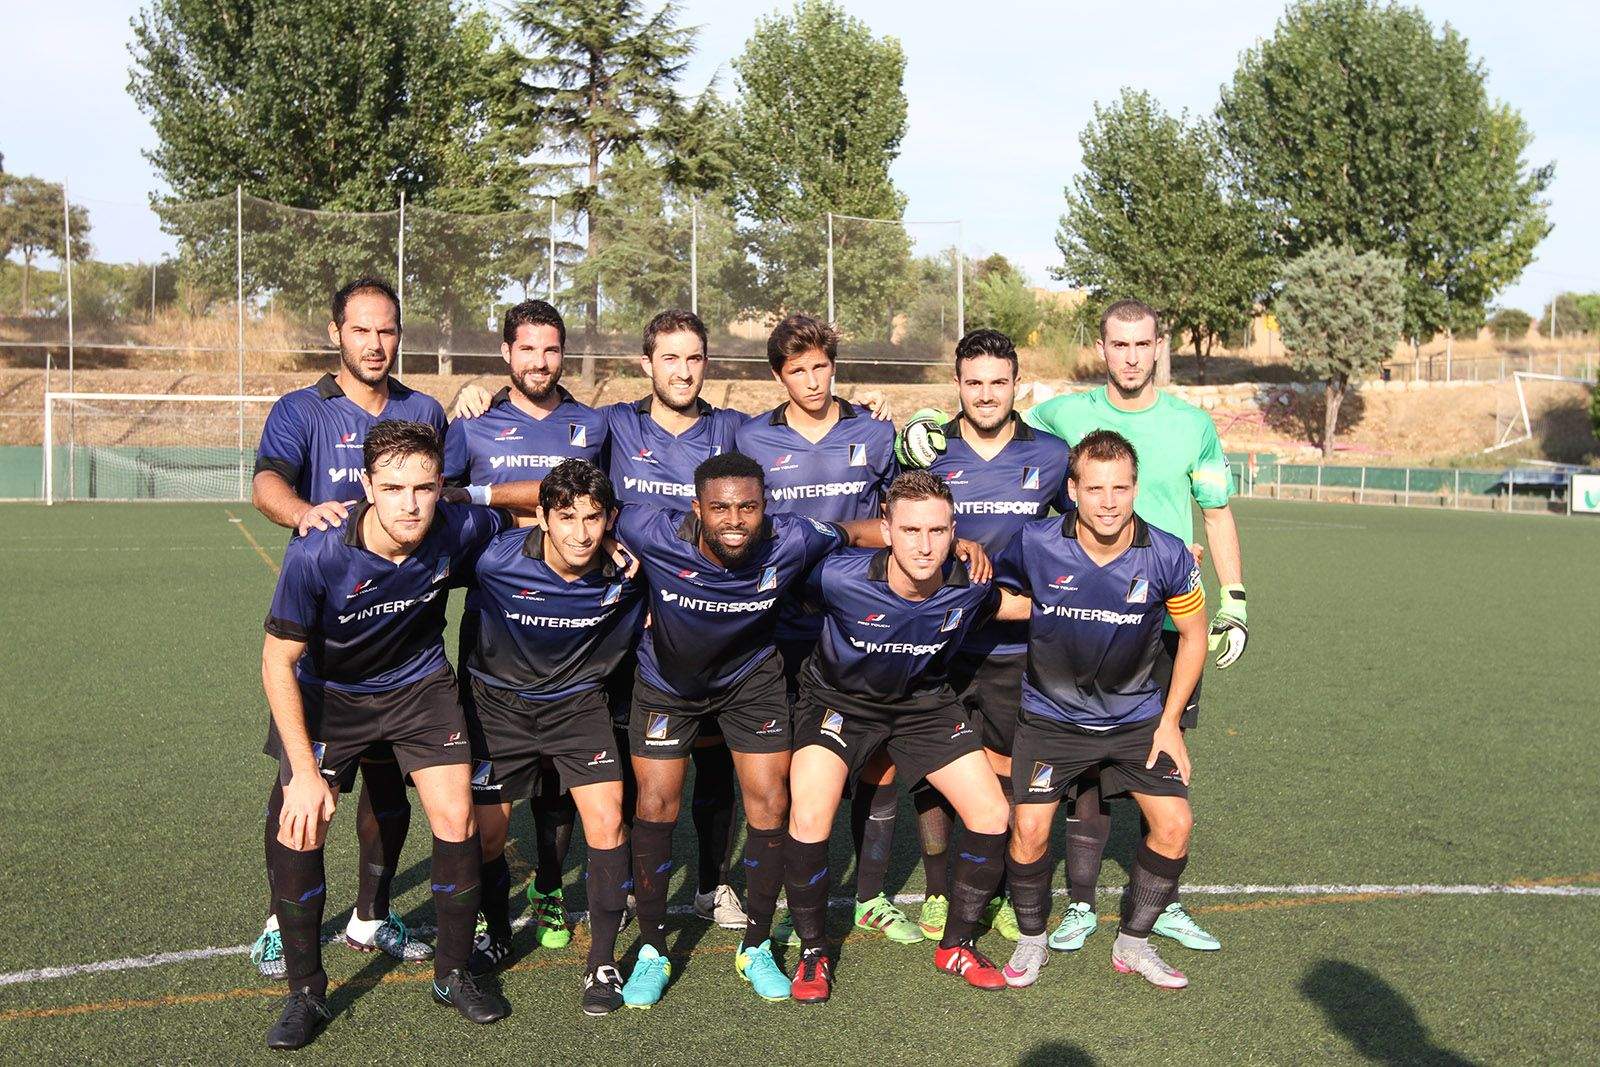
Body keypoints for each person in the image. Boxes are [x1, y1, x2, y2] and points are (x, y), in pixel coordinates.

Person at [612, 453, 990, 1007]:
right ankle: (652, 949)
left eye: (748, 507)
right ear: (697, 509)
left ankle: (758, 944)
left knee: (770, 804)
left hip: (751, 683)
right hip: (667, 683)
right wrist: (596, 542)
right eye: (720, 508)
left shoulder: (792, 539)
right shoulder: (648, 527)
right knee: (656, 803)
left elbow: (857, 530)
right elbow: (581, 516)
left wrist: (955, 544)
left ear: (767, 509)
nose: (735, 520)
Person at [258, 421, 512, 1049]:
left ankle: (453, 974)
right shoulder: (316, 552)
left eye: (425, 488)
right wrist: (303, 773)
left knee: (458, 819)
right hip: (331, 697)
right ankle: (306, 991)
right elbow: (276, 661)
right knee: (300, 822)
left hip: (418, 688)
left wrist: (606, 542)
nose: (410, 503)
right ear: (367, 485)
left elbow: (543, 520)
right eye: (394, 487)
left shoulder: (455, 527)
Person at [1018, 298, 1246, 954]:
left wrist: (1234, 597)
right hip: (1085, 611)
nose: (1131, 356)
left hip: (1168, 615)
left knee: (1159, 755)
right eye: (1119, 344)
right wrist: (921, 421)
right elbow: (1002, 428)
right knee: (1086, 772)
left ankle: (1161, 904)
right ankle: (1082, 906)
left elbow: (1218, 511)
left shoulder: (1192, 424)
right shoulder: (1065, 412)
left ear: (1158, 346)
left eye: (1142, 344)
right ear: (1103, 346)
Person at [248, 277, 445, 977]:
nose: (375, 342)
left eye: (386, 329)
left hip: (402, 640)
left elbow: (444, 490)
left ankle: (372, 914)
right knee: (300, 789)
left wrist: (481, 406)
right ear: (337, 332)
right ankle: (283, 916)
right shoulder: (304, 409)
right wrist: (303, 512)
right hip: (323, 644)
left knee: (390, 792)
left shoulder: (424, 408)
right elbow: (266, 482)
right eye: (361, 329)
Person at [783, 472, 1013, 1003]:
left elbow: (1013, 606)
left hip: (923, 705)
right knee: (810, 814)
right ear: (885, 529)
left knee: (991, 814)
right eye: (910, 530)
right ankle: (813, 952)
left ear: (955, 532)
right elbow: (771, 584)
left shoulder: (968, 584)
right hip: (839, 703)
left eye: (937, 530)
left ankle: (955, 945)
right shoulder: (838, 578)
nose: (924, 545)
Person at [991, 429, 1208, 990]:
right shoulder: (1034, 542)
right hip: (1050, 716)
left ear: (1136, 489)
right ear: (1073, 489)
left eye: (1120, 488)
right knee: (1030, 828)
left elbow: (1193, 633)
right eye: (1095, 488)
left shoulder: (1166, 554)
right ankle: (1033, 939)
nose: (1108, 501)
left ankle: (1133, 943)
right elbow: (1004, 595)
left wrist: (1170, 723)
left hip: (1136, 718)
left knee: (1174, 824)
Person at [733, 313, 914, 945]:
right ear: (778, 375)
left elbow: (903, 510)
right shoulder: (750, 439)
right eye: (796, 370)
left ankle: (869, 896)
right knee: (782, 765)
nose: (811, 380)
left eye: (820, 366)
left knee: (879, 760)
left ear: (835, 364)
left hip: (862, 621)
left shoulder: (875, 430)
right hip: (779, 622)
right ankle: (785, 885)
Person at [442, 299, 609, 951]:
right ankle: (487, 910)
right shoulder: (474, 424)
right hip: (496, 632)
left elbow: (593, 500)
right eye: (528, 349)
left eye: (551, 349)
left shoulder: (592, 425)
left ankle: (545, 885)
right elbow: (443, 498)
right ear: (506, 353)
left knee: (557, 778)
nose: (540, 361)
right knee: (493, 786)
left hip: (573, 631)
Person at [458, 459, 644, 1015]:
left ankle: (604, 962)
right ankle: (496, 933)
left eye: (593, 518)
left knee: (608, 820)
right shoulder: (494, 561)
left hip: (579, 707)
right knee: (486, 836)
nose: (581, 533)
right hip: (497, 706)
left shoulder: (630, 568)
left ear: (610, 519)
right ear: (539, 517)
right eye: (566, 517)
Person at [911, 329, 1073, 944]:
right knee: (933, 767)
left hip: (1016, 647)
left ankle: (1001, 889)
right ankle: (934, 892)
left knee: (1007, 767)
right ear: (957, 385)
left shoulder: (1052, 455)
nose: (985, 394)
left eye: (998, 382)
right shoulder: (925, 451)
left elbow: (1085, 530)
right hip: (937, 641)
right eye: (973, 382)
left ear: (1016, 385)